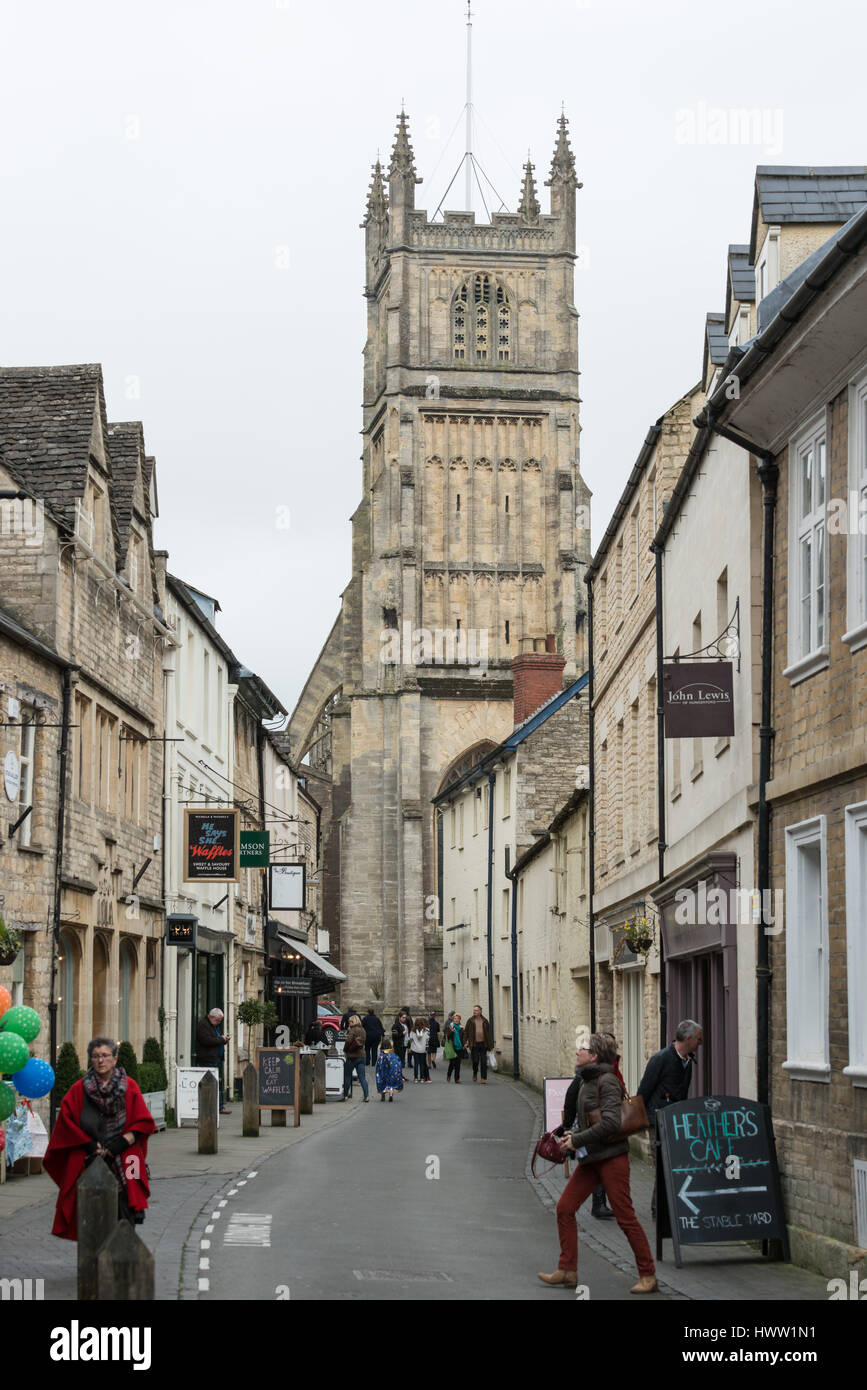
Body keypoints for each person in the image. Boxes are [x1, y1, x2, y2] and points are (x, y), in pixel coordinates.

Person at [538, 1033, 657, 1294]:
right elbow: (590, 1119)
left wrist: (578, 1139)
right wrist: (572, 1134)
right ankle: (567, 1270)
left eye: (583, 1048)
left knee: (626, 1218)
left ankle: (648, 1274)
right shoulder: (586, 1080)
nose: (577, 1051)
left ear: (594, 1056)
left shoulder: (608, 1082)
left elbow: (612, 1123)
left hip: (612, 1159)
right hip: (592, 1158)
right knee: (564, 1208)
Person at [44, 1037, 156, 1240]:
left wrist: (122, 1142)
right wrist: (87, 1144)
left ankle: (123, 1251)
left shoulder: (129, 1086)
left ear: (114, 1058)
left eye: (105, 1055)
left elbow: (144, 1123)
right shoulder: (78, 1089)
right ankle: (93, 1255)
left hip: (125, 1155)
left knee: (128, 1201)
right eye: (95, 1056)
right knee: (88, 1206)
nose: (100, 1060)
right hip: (89, 1156)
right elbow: (66, 1123)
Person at [637, 1019, 702, 1217]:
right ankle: (660, 1210)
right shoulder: (661, 1059)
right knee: (663, 1164)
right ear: (688, 1039)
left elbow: (682, 1094)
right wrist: (644, 1120)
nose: (701, 1043)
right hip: (658, 1120)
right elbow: (644, 1090)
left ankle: (664, 1207)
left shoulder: (687, 1062)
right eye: (698, 1039)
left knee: (672, 1164)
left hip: (676, 1121)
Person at [463, 1004, 493, 1083]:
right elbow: (466, 1032)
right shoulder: (470, 1020)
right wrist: (465, 1042)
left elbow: (489, 1034)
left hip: (483, 1044)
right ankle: (475, 1072)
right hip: (474, 1044)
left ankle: (483, 1078)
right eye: (474, 1010)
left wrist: (490, 1045)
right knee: (475, 1061)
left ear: (480, 1011)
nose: (474, 1012)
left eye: (476, 1010)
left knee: (483, 1061)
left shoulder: (485, 1021)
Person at [343, 1015, 370, 1101]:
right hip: (361, 1055)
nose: (349, 1023)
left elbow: (348, 1041)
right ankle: (366, 1096)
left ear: (353, 1022)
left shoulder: (352, 1030)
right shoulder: (363, 1030)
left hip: (352, 1056)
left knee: (347, 1075)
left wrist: (345, 1050)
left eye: (350, 1022)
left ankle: (346, 1095)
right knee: (362, 1077)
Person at [408, 1018, 431, 1082]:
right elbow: (428, 1039)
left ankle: (415, 1078)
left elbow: (410, 1039)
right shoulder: (426, 1031)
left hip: (415, 1049)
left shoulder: (412, 1031)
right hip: (423, 1049)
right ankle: (422, 1078)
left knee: (416, 1064)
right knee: (422, 1064)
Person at [444, 1013, 464, 1082]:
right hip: (452, 1047)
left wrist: (465, 1043)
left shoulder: (461, 1028)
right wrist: (451, 1032)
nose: (456, 1020)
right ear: (453, 1019)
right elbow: (447, 1036)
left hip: (459, 1047)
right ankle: (449, 1074)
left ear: (459, 1020)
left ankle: (457, 1079)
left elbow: (463, 1038)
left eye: (458, 1018)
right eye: (455, 1018)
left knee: (458, 1064)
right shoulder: (450, 1027)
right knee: (452, 1064)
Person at [391, 1010, 410, 1074]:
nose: (404, 1019)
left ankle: (400, 1075)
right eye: (403, 1017)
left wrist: (408, 1046)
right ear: (399, 1017)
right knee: (397, 1062)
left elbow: (407, 1037)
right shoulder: (395, 1026)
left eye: (405, 1017)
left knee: (402, 1062)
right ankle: (397, 1075)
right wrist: (402, 1034)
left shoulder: (405, 1025)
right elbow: (394, 1036)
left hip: (404, 1045)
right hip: (398, 1046)